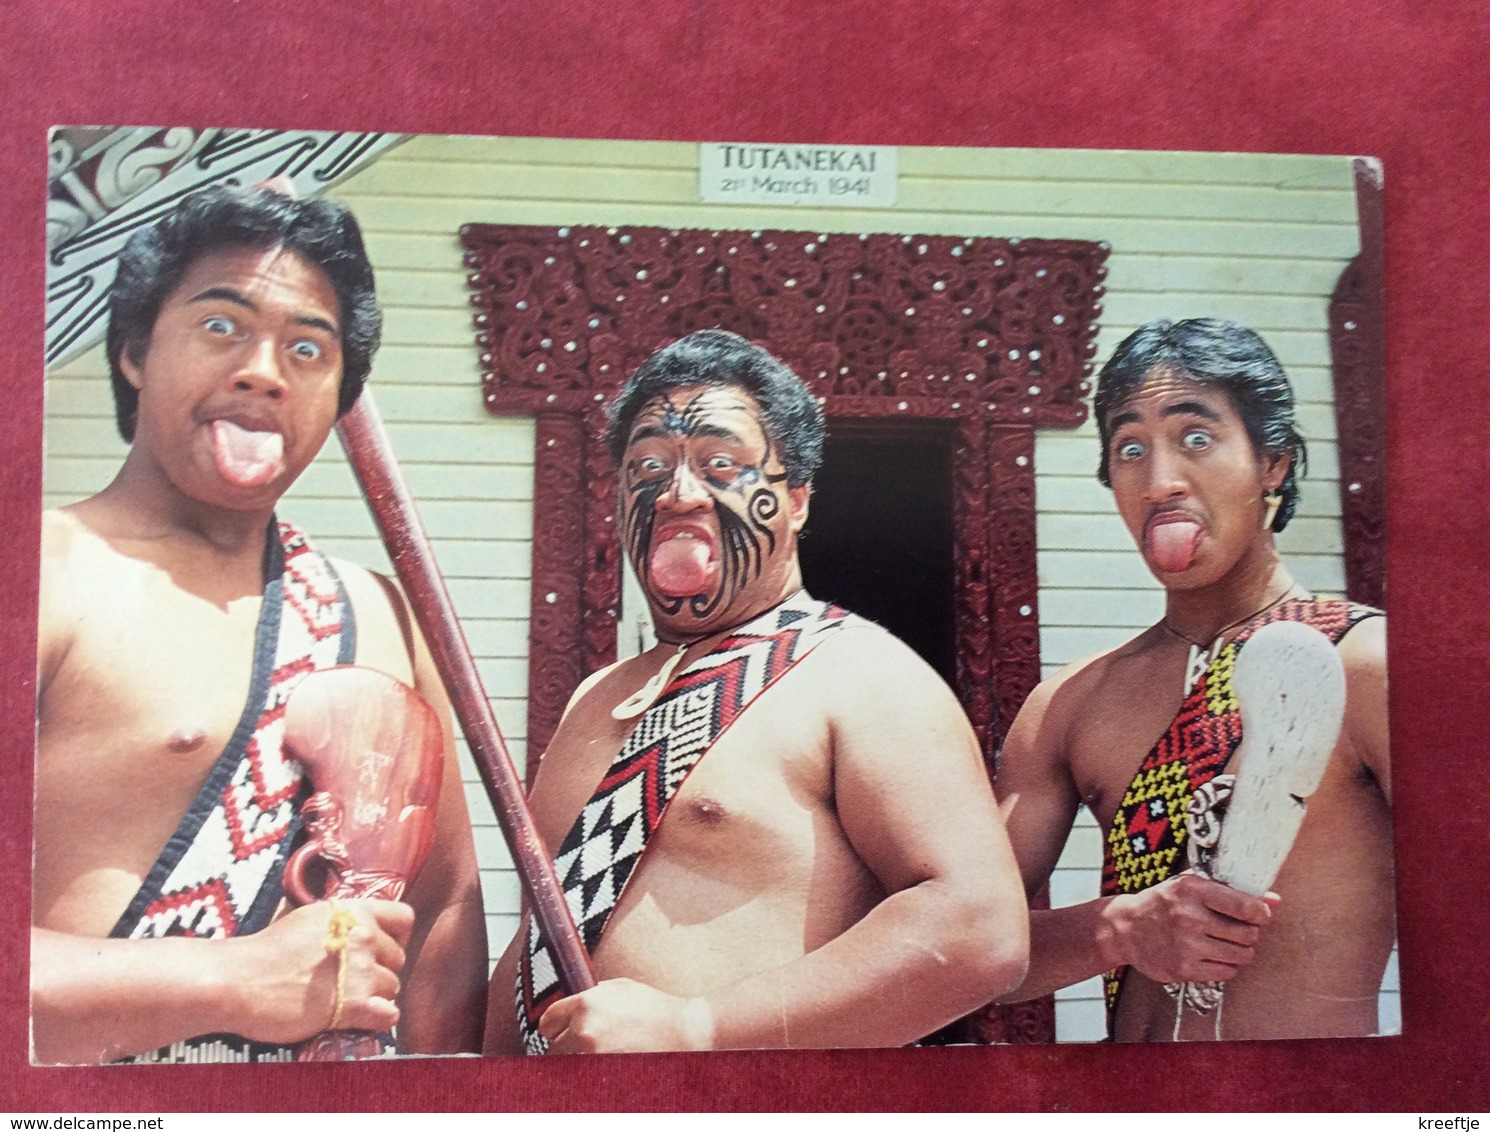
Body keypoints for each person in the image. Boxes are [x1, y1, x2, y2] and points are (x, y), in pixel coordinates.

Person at [32, 185, 487, 1064]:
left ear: (339, 394)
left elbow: (442, 924)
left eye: (308, 347)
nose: (264, 370)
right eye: (220, 326)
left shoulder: (381, 612)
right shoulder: (42, 575)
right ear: (133, 351)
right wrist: (234, 983)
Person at [483, 329, 1028, 1054]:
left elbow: (976, 928)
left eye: (719, 464)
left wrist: (695, 1029)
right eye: (647, 466)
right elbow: (538, 939)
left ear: (797, 500)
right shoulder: (596, 694)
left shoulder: (862, 674)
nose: (677, 492)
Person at [994, 318, 1392, 1041]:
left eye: (1197, 439)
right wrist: (1117, 930)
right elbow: (962, 949)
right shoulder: (1071, 704)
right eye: (1130, 449)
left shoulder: (1366, 665)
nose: (1160, 483)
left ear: (1272, 462)